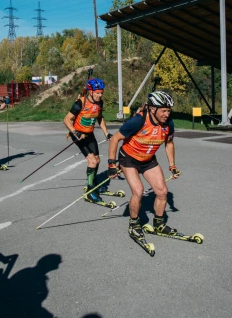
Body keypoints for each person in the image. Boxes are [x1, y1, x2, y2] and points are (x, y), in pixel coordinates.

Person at [107, 91, 180, 242]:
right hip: (129, 159)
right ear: (153, 109)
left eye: (169, 110)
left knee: (162, 191)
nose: (167, 114)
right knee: (138, 191)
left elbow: (169, 143)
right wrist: (112, 164)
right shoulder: (138, 121)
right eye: (164, 110)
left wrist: (172, 166)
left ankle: (159, 223)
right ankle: (134, 224)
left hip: (148, 160)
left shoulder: (169, 124)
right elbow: (115, 139)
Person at [62, 78, 112, 204]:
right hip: (78, 134)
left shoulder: (99, 103)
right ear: (90, 92)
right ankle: (90, 192)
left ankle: (93, 184)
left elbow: (100, 118)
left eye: (101, 93)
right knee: (92, 161)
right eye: (97, 93)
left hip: (89, 134)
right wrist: (75, 132)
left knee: (97, 159)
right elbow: (67, 119)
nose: (100, 95)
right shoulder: (81, 102)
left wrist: (106, 132)